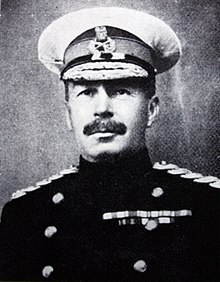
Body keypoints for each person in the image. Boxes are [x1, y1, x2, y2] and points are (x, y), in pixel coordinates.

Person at [0, 7, 219, 281]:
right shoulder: (24, 216)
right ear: (68, 115)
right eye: (86, 92)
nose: (102, 108)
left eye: (121, 91)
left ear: (151, 111)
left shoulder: (208, 206)